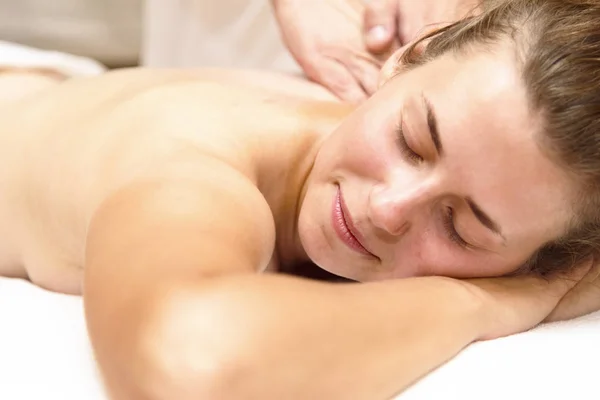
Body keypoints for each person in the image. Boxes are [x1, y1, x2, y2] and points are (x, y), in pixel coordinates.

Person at [1, 0, 600, 399]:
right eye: (411, 142)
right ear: (409, 56)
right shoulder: (192, 169)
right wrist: (482, 304)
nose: (389, 209)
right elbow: (186, 360)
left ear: (541, 259)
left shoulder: (499, 154)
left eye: (461, 229)